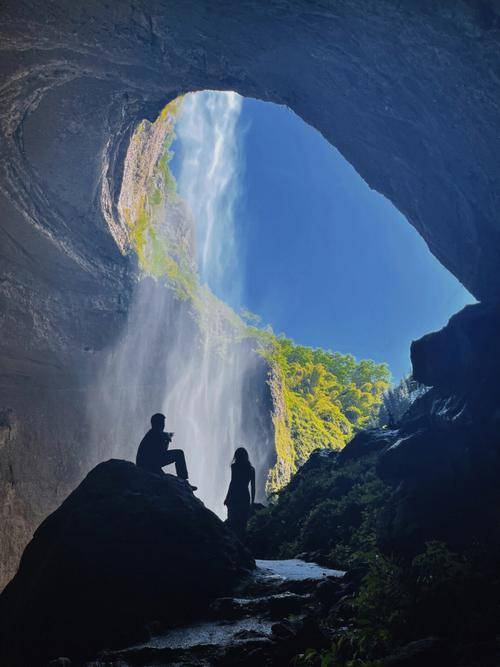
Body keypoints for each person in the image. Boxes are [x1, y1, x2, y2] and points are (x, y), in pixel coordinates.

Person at [136, 413, 197, 491]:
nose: (163, 425)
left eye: (163, 423)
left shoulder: (152, 433)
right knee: (179, 454)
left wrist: (166, 438)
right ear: (158, 424)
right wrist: (167, 440)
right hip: (149, 465)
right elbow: (162, 452)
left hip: (147, 464)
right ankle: (183, 481)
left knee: (165, 480)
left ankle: (183, 483)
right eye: (162, 423)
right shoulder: (157, 434)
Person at [224, 447, 255, 540]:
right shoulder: (251, 469)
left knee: (232, 519)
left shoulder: (234, 467)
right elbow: (253, 487)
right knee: (242, 521)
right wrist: (252, 502)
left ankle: (232, 542)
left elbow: (232, 483)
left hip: (234, 494)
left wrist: (227, 497)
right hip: (245, 495)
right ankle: (242, 542)